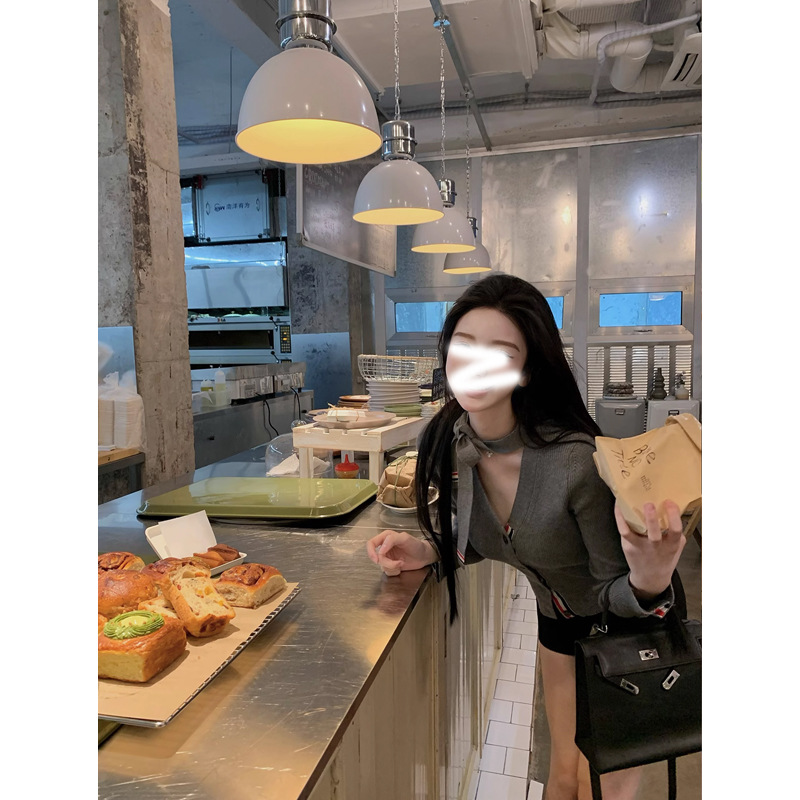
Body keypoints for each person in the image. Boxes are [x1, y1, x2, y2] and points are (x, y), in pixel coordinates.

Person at [366, 274, 686, 800]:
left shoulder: (573, 463)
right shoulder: (455, 444)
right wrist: (432, 550)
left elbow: (613, 589)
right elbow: (496, 537)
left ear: (527, 369)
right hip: (557, 624)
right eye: (465, 346)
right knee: (562, 777)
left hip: (629, 626)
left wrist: (651, 579)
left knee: (601, 786)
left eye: (500, 352)